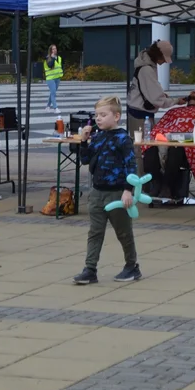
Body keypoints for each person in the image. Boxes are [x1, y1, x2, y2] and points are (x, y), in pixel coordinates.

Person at [72, 96, 141, 285]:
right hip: (97, 192)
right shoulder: (98, 136)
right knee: (95, 232)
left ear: (116, 116)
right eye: (96, 115)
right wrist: (84, 142)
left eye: (103, 115)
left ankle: (132, 266)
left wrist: (128, 190)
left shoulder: (122, 138)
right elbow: (86, 160)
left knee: (123, 232)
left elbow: (131, 166)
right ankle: (90, 269)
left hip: (117, 193)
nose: (98, 119)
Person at [127, 40, 183, 168]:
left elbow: (151, 92)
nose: (164, 62)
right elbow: (156, 99)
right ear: (157, 55)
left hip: (139, 111)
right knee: (141, 150)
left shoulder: (147, 64)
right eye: (163, 59)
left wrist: (162, 96)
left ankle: (146, 181)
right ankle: (141, 182)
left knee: (143, 148)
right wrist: (176, 101)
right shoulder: (147, 69)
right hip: (140, 113)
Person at [44, 45, 63, 111]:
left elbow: (60, 66)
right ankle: (55, 108)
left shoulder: (59, 58)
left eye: (55, 48)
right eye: (53, 49)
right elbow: (50, 66)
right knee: (53, 93)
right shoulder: (48, 58)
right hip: (50, 78)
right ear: (50, 50)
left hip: (57, 78)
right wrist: (52, 58)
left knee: (52, 92)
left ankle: (48, 106)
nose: (55, 50)